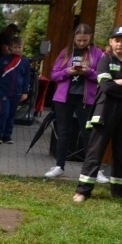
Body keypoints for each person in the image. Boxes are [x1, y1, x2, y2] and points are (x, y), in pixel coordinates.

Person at [74, 26, 122, 203]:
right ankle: (83, 191)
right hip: (106, 111)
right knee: (95, 152)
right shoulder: (105, 60)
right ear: (111, 41)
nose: (120, 44)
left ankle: (120, 191)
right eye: (117, 40)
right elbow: (107, 87)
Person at [44, 24, 103, 178]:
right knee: (63, 132)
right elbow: (54, 75)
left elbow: (102, 77)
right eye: (79, 40)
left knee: (87, 133)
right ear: (74, 38)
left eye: (85, 40)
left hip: (86, 98)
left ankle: (92, 169)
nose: (82, 43)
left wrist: (88, 72)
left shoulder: (98, 54)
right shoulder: (66, 52)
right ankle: (59, 166)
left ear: (90, 37)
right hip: (64, 97)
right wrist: (68, 71)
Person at [0, 36, 30, 144]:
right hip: (4, 91)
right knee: (4, 112)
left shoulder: (25, 62)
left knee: (12, 114)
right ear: (10, 48)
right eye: (15, 47)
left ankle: (7, 135)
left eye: (19, 47)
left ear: (23, 48)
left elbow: (27, 78)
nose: (17, 49)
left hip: (17, 92)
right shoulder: (3, 59)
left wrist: (25, 92)